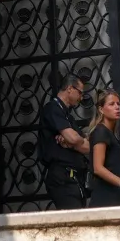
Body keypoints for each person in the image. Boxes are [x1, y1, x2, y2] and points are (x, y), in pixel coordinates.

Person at [37, 73, 91, 210]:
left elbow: (87, 147)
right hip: (62, 177)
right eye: (80, 92)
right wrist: (75, 139)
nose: (81, 97)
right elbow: (74, 138)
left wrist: (71, 143)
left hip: (74, 178)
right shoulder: (53, 109)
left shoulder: (68, 116)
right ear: (69, 89)